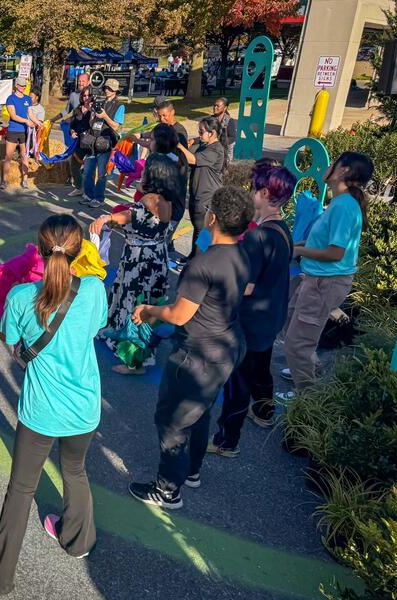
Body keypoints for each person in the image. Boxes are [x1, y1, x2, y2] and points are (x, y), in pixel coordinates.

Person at [0, 215, 107, 595]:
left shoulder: (20, 298)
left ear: (40, 249)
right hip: (84, 406)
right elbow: (96, 326)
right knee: (75, 471)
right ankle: (77, 540)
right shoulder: (95, 290)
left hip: (41, 411)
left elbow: (10, 340)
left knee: (21, 488)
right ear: (80, 250)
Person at [128, 186, 253, 509]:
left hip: (197, 354)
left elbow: (180, 314)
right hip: (226, 346)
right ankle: (192, 470)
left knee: (172, 420)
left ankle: (167, 490)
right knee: (200, 412)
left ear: (212, 218)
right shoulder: (242, 254)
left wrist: (150, 311)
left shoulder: (203, 265)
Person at [208, 163, 296, 454]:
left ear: (265, 192)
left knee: (237, 384)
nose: (251, 195)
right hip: (270, 317)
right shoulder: (282, 229)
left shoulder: (258, 237)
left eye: (254, 190)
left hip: (250, 321)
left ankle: (227, 440)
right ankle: (264, 411)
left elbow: (244, 285)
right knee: (261, 369)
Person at [280, 152, 373, 396]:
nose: (328, 166)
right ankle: (306, 368)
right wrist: (301, 244)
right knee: (293, 324)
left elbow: (335, 253)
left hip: (324, 282)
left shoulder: (344, 206)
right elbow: (326, 242)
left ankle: (306, 396)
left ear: (343, 172)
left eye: (333, 163)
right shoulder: (340, 201)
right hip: (315, 277)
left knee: (297, 343)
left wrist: (299, 250)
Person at [89, 155, 179, 374]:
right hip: (157, 257)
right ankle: (144, 348)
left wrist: (104, 219)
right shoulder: (168, 200)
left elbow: (126, 217)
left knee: (132, 302)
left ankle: (132, 360)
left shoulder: (150, 200)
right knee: (149, 302)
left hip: (139, 261)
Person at [179, 116, 225, 260]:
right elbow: (196, 145)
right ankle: (193, 256)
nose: (199, 134)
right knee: (197, 228)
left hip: (207, 196)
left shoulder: (216, 150)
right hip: (197, 193)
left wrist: (179, 146)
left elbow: (192, 159)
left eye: (201, 132)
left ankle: (197, 262)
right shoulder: (205, 144)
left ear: (213, 133)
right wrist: (194, 141)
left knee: (203, 231)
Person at [79, 79, 125, 207]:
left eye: (110, 89)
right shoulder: (99, 102)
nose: (107, 90)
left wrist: (104, 116)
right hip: (92, 140)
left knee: (102, 174)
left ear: (115, 90)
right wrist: (92, 115)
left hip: (106, 141)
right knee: (88, 171)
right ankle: (88, 195)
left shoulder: (119, 106)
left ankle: (98, 198)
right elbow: (90, 122)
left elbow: (116, 127)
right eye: (106, 88)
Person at [0, 77, 33, 189]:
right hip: (13, 130)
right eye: (21, 85)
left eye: (24, 86)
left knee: (24, 156)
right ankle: (4, 181)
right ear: (16, 86)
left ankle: (25, 180)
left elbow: (31, 114)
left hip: (24, 132)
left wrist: (38, 123)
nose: (23, 88)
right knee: (8, 156)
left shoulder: (28, 99)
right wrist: (26, 121)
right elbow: (13, 116)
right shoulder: (10, 99)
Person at [213, 97, 237, 163]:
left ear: (225, 108)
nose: (215, 107)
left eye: (218, 106)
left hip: (224, 152)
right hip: (211, 149)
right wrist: (194, 140)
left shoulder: (229, 121)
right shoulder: (211, 119)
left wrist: (220, 142)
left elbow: (233, 138)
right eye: (214, 105)